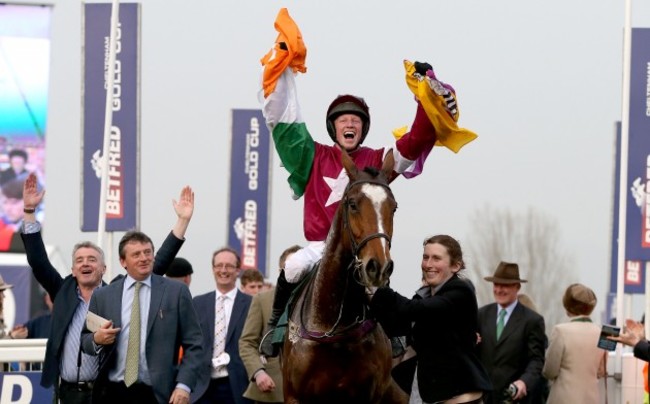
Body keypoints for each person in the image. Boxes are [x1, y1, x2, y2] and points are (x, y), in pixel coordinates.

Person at [258, 9, 477, 357]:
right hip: (321, 245)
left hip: (363, 247)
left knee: (377, 273)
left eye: (356, 121)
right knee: (293, 265)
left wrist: (425, 97)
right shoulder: (312, 155)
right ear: (334, 128)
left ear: (362, 128)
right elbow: (286, 121)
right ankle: (277, 326)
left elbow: (416, 140)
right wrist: (282, 70)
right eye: (343, 120)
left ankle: (391, 335)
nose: (350, 125)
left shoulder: (377, 159)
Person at [20, 172, 195, 404]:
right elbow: (38, 262)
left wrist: (182, 222)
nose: (85, 263)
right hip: (68, 393)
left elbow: (158, 261)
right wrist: (30, 212)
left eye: (92, 259)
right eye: (79, 260)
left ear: (104, 268)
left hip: (104, 393)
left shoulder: (116, 293)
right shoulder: (61, 291)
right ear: (72, 269)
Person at [80, 230, 203, 404]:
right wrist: (97, 339)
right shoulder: (103, 296)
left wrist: (184, 385)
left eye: (147, 252)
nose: (144, 258)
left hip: (159, 393)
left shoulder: (175, 292)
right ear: (123, 261)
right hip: (113, 393)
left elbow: (194, 344)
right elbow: (85, 341)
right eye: (136, 254)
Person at [369, 235, 492, 403]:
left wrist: (379, 288)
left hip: (459, 395)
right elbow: (398, 328)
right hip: (429, 392)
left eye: (436, 258)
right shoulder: (423, 296)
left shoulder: (461, 292)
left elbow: (413, 309)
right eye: (425, 257)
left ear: (456, 266)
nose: (428, 264)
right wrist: (369, 296)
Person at [477, 262, 546, 404]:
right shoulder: (481, 315)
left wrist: (523, 382)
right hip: (483, 397)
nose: (499, 290)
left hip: (514, 399)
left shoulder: (532, 321)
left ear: (517, 287)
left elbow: (536, 360)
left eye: (505, 285)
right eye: (496, 285)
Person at [239, 245, 300, 403]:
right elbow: (247, 342)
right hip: (271, 391)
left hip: (311, 391)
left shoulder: (321, 304)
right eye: (290, 268)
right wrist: (258, 373)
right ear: (281, 272)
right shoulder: (262, 300)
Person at [191, 247, 253, 404]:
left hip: (238, 387)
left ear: (238, 270)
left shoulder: (251, 304)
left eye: (229, 266)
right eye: (219, 266)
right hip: (202, 386)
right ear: (213, 269)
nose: (223, 270)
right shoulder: (198, 303)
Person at [542, 283, 606, 403]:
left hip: (563, 399)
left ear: (567, 305)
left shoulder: (560, 331)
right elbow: (601, 371)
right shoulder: (602, 333)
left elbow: (549, 371)